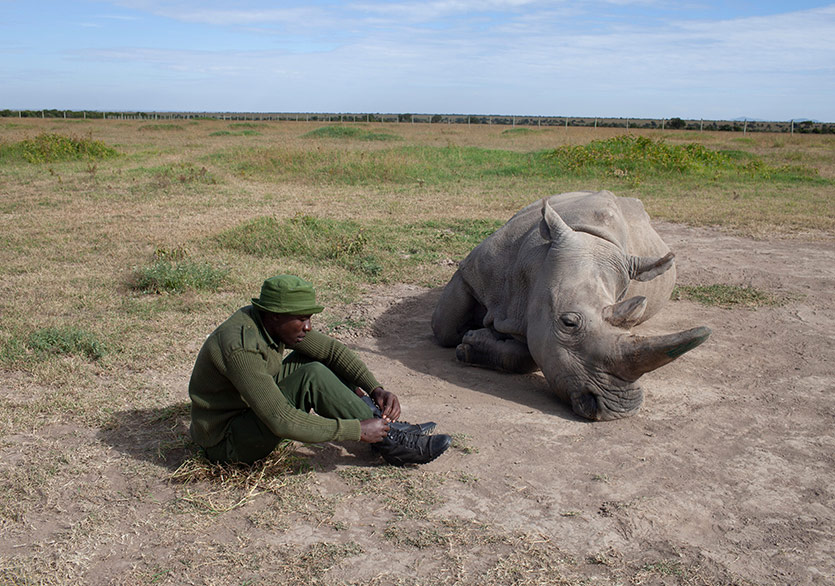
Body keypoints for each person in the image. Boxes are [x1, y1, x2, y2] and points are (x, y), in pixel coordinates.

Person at [188, 274, 451, 466]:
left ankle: (383, 427)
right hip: (228, 442)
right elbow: (280, 419)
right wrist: (355, 430)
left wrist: (375, 388)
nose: (309, 326)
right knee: (311, 375)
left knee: (319, 362)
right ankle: (390, 441)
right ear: (274, 315)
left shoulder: (271, 323)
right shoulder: (242, 346)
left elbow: (332, 352)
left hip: (249, 406)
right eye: (302, 319)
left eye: (309, 318)